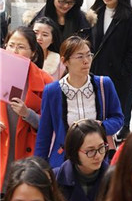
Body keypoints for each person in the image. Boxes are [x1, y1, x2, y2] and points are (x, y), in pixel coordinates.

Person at [34, 36, 124, 168]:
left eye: (89, 55)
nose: (86, 61)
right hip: (63, 162)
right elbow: (44, 133)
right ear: (65, 61)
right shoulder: (52, 91)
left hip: (97, 160)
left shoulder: (104, 84)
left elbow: (118, 118)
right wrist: (39, 167)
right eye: (80, 56)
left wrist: (102, 126)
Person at [90, 0, 132, 143]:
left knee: (117, 108)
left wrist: (124, 69)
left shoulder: (131, 17)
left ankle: (119, 132)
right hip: (96, 71)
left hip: (119, 74)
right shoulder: (94, 13)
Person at [1, 27, 53, 189]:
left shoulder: (46, 82)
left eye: (21, 47)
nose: (14, 51)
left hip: (26, 151)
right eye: (10, 45)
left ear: (33, 53)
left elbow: (50, 126)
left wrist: (27, 114)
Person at [52, 119, 110, 201]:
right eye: (90, 151)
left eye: (101, 147)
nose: (98, 156)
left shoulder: (115, 179)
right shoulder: (55, 179)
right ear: (74, 151)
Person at [25, 0, 96, 46]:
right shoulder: (38, 20)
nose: (66, 6)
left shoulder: (84, 22)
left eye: (71, 2)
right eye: (62, 1)